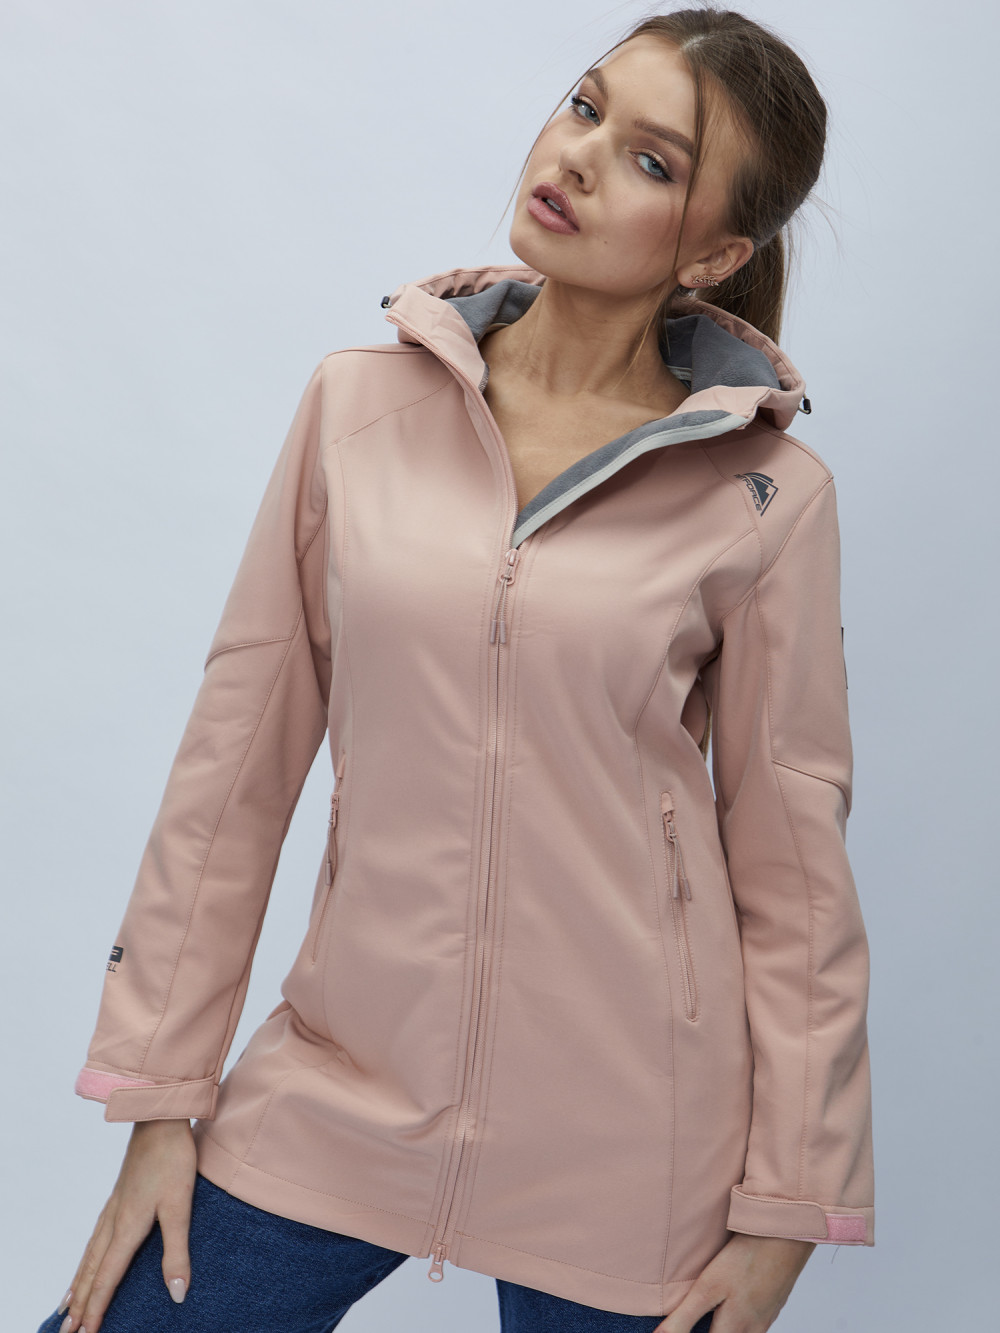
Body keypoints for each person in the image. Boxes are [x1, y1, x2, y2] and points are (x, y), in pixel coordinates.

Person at [39, 7, 875, 1333]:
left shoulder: (766, 493)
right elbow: (233, 769)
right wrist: (158, 1098)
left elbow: (793, 867)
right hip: (342, 1084)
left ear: (716, 253)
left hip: (632, 1140)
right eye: (585, 106)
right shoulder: (357, 409)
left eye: (651, 161)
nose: (579, 155)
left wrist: (792, 1206)